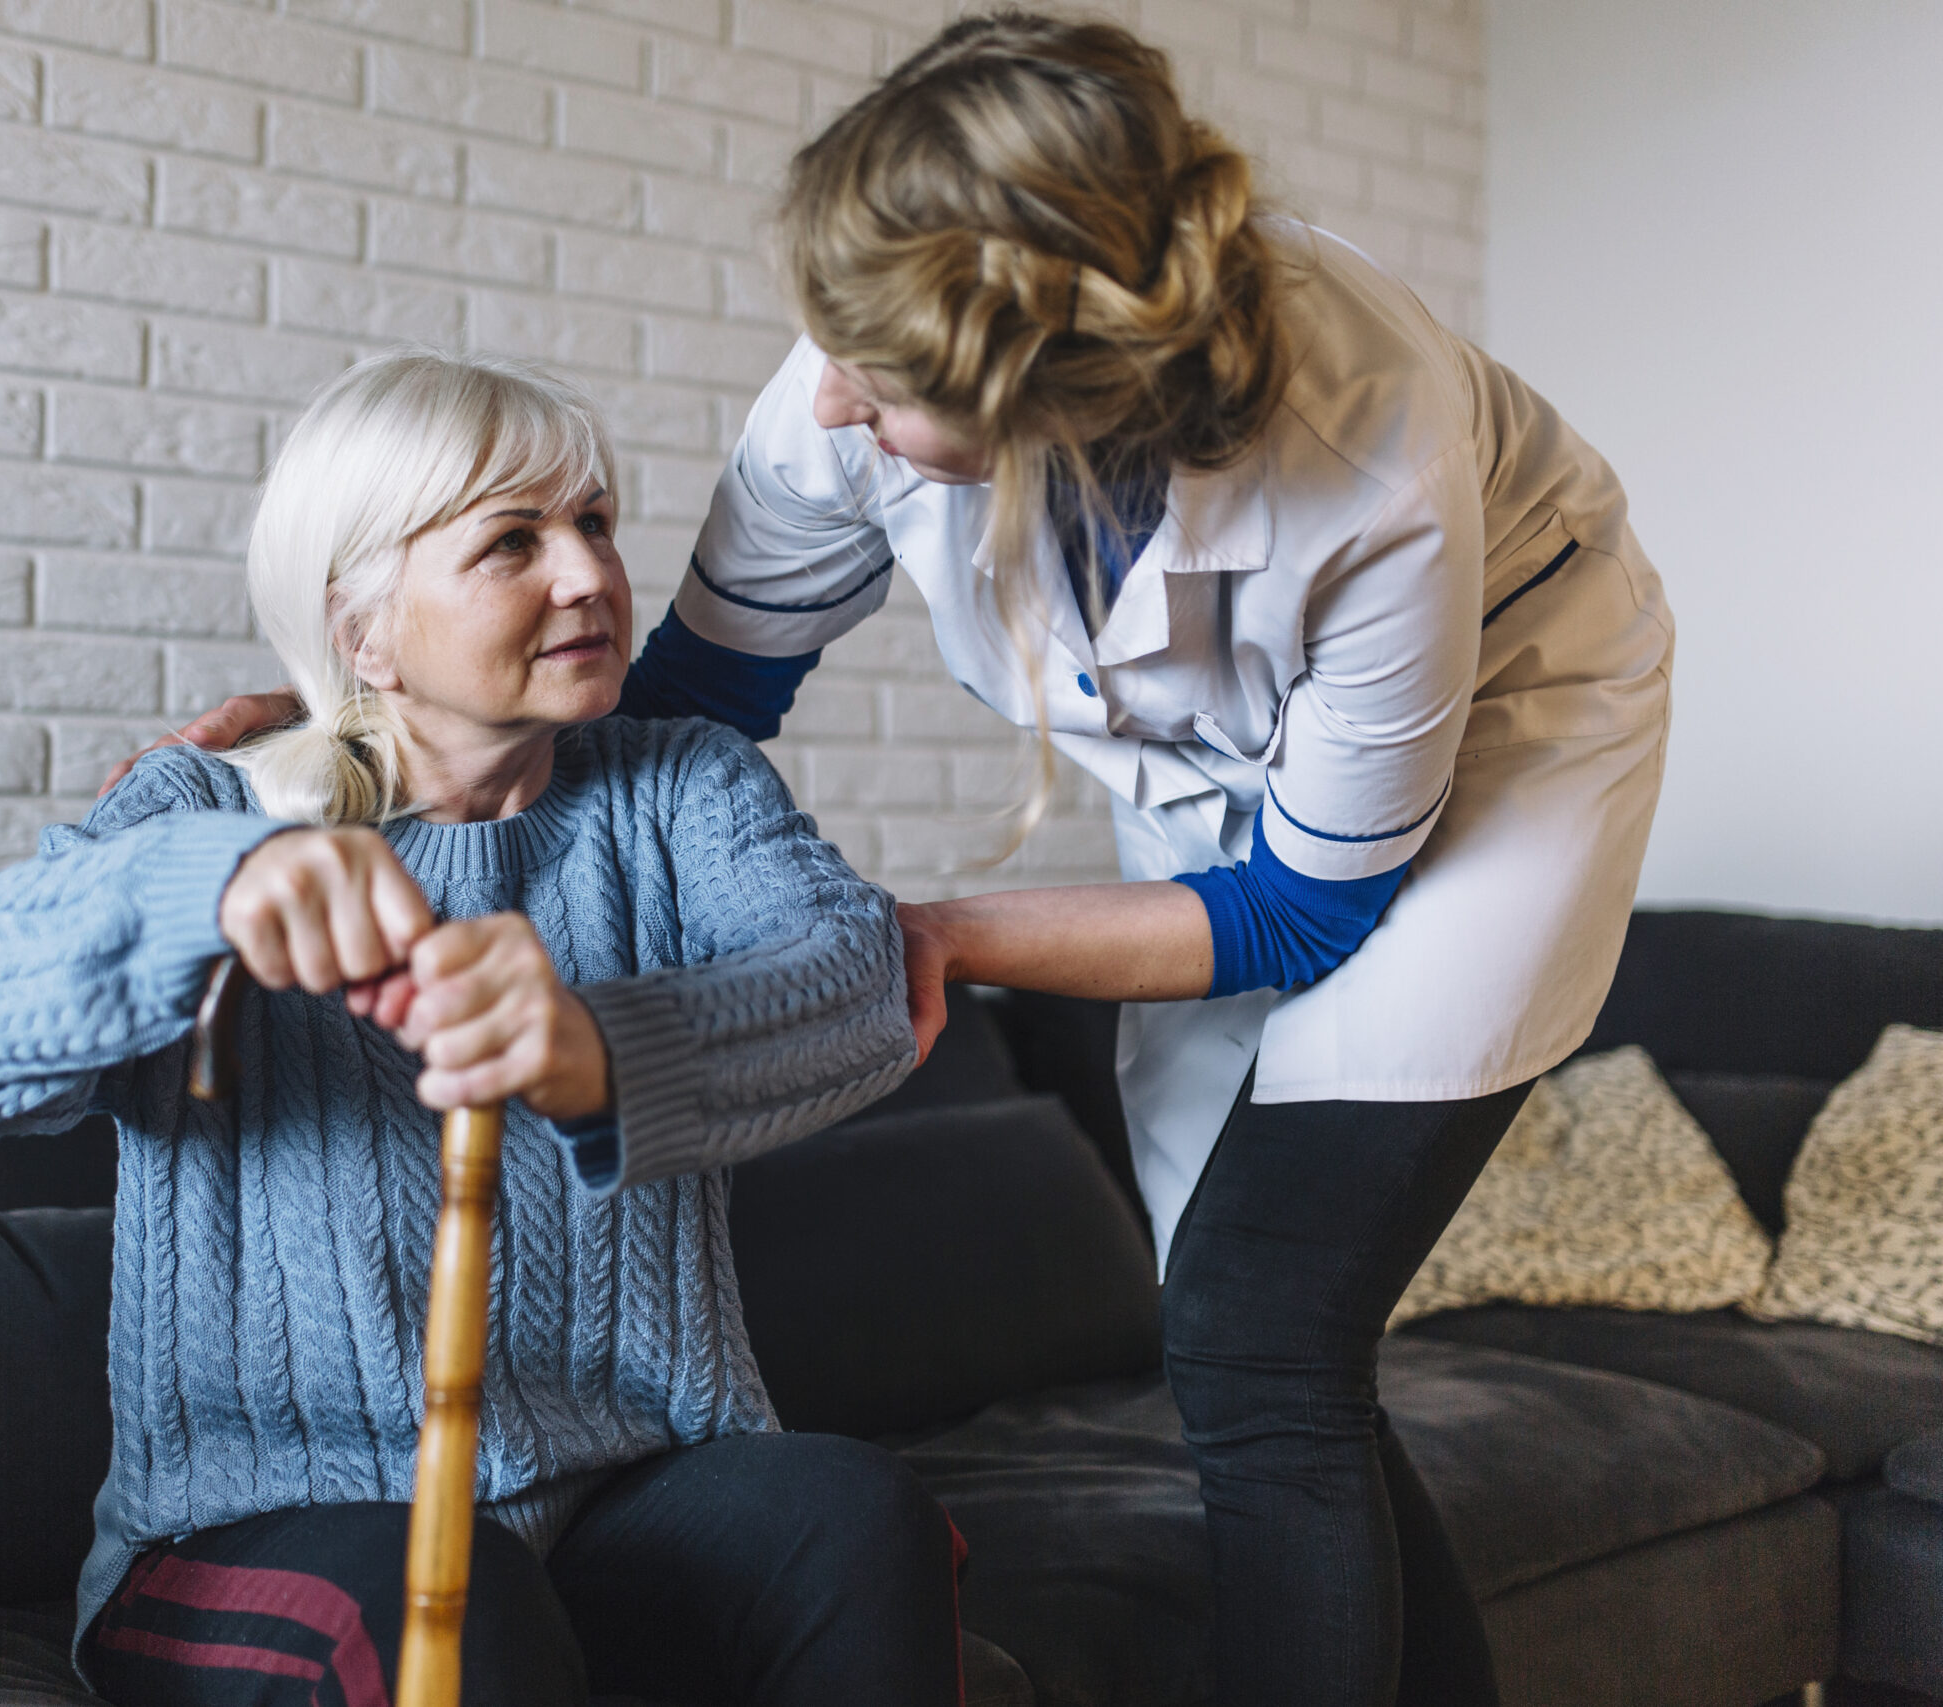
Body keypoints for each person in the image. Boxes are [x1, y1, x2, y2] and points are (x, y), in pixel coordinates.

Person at [133, 16, 1674, 1706]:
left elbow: (1302, 910)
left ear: (1050, 398)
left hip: (1517, 722)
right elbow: (692, 705)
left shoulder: (1373, 466)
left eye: (885, 384)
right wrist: (378, 704)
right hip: (1235, 793)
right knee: (1259, 1348)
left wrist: (938, 927)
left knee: (1258, 1327)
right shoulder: (844, 386)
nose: (833, 398)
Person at [0, 352, 965, 1707]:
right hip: (264, 1528)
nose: (588, 576)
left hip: (627, 1493)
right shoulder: (209, 806)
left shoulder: (680, 788)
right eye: (513, 541)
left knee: (849, 1515)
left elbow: (856, 984)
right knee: (442, 1603)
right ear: (363, 629)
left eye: (597, 524)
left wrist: (600, 1050)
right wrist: (208, 887)